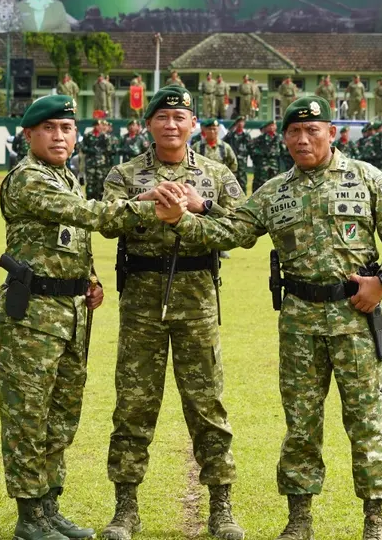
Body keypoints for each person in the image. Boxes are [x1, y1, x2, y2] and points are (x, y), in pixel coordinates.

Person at [165, 96, 382, 540]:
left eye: (312, 131)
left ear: (331, 133)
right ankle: (299, 519)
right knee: (301, 423)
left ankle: (376, 521)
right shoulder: (276, 190)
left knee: (366, 420)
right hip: (300, 324)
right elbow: (233, 231)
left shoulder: (366, 178)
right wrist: (188, 215)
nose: (303, 140)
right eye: (294, 133)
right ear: (284, 138)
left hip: (356, 319)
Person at [0, 93, 183, 540]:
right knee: (28, 417)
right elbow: (85, 215)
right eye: (50, 129)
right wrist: (147, 204)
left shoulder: (66, 177)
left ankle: (49, 505)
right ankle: (28, 516)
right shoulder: (28, 178)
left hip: (71, 313)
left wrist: (91, 276)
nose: (60, 137)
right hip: (33, 315)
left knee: (62, 414)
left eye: (66, 129)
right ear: (29, 135)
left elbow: (68, 238)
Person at [99, 85, 247, 540]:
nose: (170, 125)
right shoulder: (124, 174)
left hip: (197, 298)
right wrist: (146, 207)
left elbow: (241, 229)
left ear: (193, 125)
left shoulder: (217, 174)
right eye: (162, 117)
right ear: (149, 124)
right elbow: (104, 221)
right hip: (142, 299)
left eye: (179, 118)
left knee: (207, 404)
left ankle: (221, 507)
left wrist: (197, 210)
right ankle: (126, 509)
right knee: (134, 404)